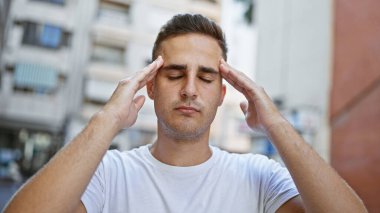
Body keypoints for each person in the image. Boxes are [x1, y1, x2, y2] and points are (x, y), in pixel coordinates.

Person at [4, 14, 366, 213]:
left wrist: (275, 124)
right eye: (174, 74)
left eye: (206, 77)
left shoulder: (259, 178)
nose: (190, 89)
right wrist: (107, 120)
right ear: (149, 86)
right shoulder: (108, 175)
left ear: (223, 92)